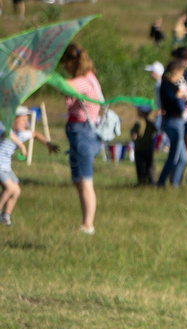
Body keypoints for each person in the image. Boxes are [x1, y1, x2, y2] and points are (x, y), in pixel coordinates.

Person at [59, 43, 103, 234]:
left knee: (85, 180)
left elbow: (64, 85)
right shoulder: (90, 78)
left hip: (84, 133)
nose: (65, 68)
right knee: (79, 179)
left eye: (66, 64)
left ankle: (88, 225)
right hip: (81, 133)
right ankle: (86, 223)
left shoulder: (84, 81)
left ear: (74, 61)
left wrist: (45, 75)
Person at [1, 107, 58, 226]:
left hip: (6, 167)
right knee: (10, 188)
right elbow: (8, 134)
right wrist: (21, 146)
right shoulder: (4, 127)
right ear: (12, 120)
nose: (26, 123)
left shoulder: (21, 134)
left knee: (16, 191)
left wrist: (48, 144)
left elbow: (35, 134)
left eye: (27, 120)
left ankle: (5, 217)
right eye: (22, 120)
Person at [157, 60, 187, 187]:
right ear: (175, 73)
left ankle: (175, 183)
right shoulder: (167, 86)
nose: (180, 78)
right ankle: (161, 183)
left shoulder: (167, 86)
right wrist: (181, 95)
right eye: (180, 75)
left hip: (174, 122)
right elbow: (174, 98)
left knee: (183, 158)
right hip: (174, 123)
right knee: (174, 157)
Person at [131, 106, 157, 186]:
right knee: (149, 166)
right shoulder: (151, 123)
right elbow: (155, 131)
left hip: (139, 149)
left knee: (140, 167)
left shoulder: (138, 123)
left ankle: (142, 182)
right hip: (148, 148)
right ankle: (152, 181)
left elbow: (134, 136)